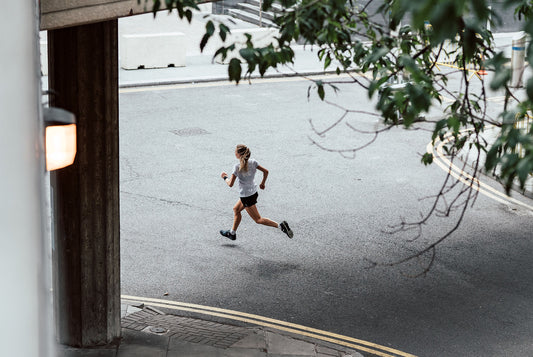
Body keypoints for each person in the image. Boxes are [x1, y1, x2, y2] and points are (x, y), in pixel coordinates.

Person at [220, 144, 293, 241]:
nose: (234, 153)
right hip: (253, 193)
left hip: (246, 196)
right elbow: (266, 171)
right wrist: (262, 183)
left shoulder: (237, 167)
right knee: (236, 209)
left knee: (258, 219)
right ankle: (232, 233)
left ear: (238, 155)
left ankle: (280, 226)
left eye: (235, 152)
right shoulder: (253, 162)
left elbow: (230, 184)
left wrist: (225, 177)